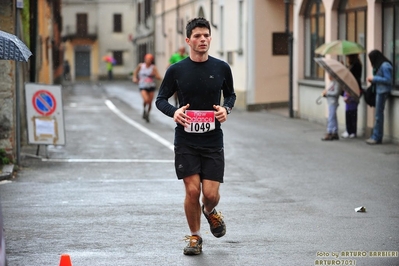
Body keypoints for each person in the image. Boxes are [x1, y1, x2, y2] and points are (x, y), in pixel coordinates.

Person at [155, 17, 236, 255]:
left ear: (210, 38)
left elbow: (230, 95)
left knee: (210, 195)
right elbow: (161, 99)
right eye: (198, 36)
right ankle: (195, 237)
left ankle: (210, 212)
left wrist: (225, 109)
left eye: (206, 35)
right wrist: (175, 112)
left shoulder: (221, 68)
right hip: (186, 141)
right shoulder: (176, 70)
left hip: (212, 140)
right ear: (188, 40)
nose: (203, 39)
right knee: (192, 191)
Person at [366, 49, 393, 145]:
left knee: (378, 115)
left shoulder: (385, 65)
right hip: (380, 90)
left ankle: (377, 137)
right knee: (378, 115)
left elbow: (388, 79)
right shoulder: (381, 64)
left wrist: (374, 78)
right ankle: (376, 136)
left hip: (383, 91)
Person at [132, 53, 162, 122]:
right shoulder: (141, 66)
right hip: (142, 85)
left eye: (149, 59)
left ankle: (147, 114)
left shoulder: (153, 67)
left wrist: (157, 76)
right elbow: (135, 72)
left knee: (150, 102)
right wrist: (134, 78)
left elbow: (158, 76)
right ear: (145, 60)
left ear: (151, 60)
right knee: (146, 100)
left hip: (151, 86)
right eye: (147, 59)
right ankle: (144, 109)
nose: (148, 61)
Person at [341, 54, 362, 139]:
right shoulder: (354, 65)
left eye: (348, 57)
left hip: (353, 89)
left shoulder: (355, 66)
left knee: (351, 111)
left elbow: (352, 77)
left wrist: (345, 68)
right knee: (350, 111)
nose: (347, 59)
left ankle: (351, 130)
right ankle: (350, 130)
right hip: (352, 89)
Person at [321, 74, 342, 141]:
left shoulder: (337, 83)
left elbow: (336, 93)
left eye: (329, 75)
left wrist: (327, 93)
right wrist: (325, 94)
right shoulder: (332, 82)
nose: (328, 77)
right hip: (330, 102)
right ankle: (335, 132)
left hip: (333, 102)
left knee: (331, 118)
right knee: (333, 117)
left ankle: (329, 132)